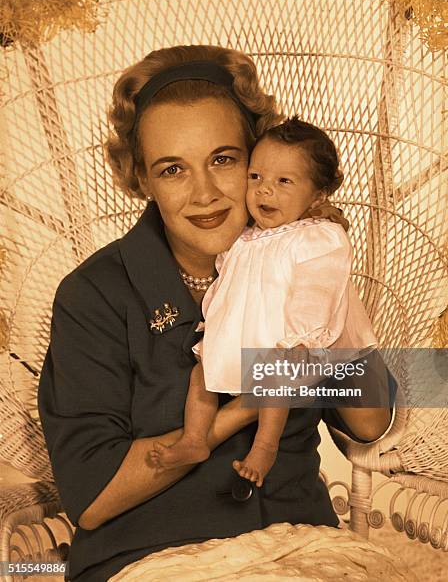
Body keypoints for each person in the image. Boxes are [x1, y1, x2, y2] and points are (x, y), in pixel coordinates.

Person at [38, 45, 393, 582]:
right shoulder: (95, 294)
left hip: (305, 548)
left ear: (260, 159)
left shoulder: (295, 259)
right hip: (151, 558)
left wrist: (330, 285)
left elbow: (370, 423)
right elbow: (92, 498)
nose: (205, 193)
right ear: (141, 179)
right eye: (173, 169)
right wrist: (253, 402)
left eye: (224, 160)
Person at [150, 117, 380, 489]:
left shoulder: (318, 237)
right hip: (246, 340)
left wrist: (302, 339)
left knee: (277, 375)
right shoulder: (244, 238)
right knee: (201, 375)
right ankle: (194, 440)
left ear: (318, 195)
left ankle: (264, 447)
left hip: (288, 342)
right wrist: (215, 327)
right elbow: (229, 286)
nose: (264, 192)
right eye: (255, 178)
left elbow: (318, 287)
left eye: (284, 182)